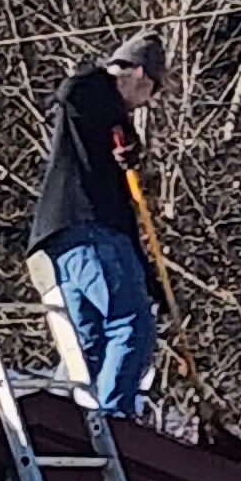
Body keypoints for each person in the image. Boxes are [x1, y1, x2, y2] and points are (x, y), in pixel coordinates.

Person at [30, 31, 167, 418]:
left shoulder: (109, 124)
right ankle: (111, 418)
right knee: (131, 323)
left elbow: (124, 210)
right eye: (150, 92)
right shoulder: (91, 94)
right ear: (141, 74)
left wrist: (146, 274)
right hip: (88, 228)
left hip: (69, 238)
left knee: (85, 341)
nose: (146, 102)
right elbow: (73, 90)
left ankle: (56, 421)